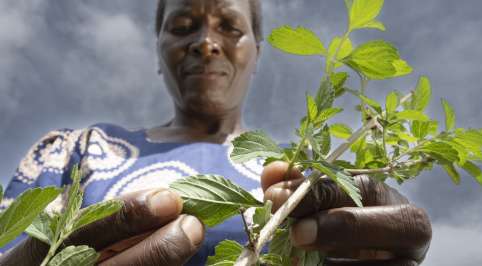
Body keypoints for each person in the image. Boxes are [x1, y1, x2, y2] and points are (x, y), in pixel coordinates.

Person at [0, 0, 432, 265]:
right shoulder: (79, 151)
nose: (206, 42)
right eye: (182, 26)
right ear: (158, 51)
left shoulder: (306, 173)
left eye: (230, 27)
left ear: (256, 55)